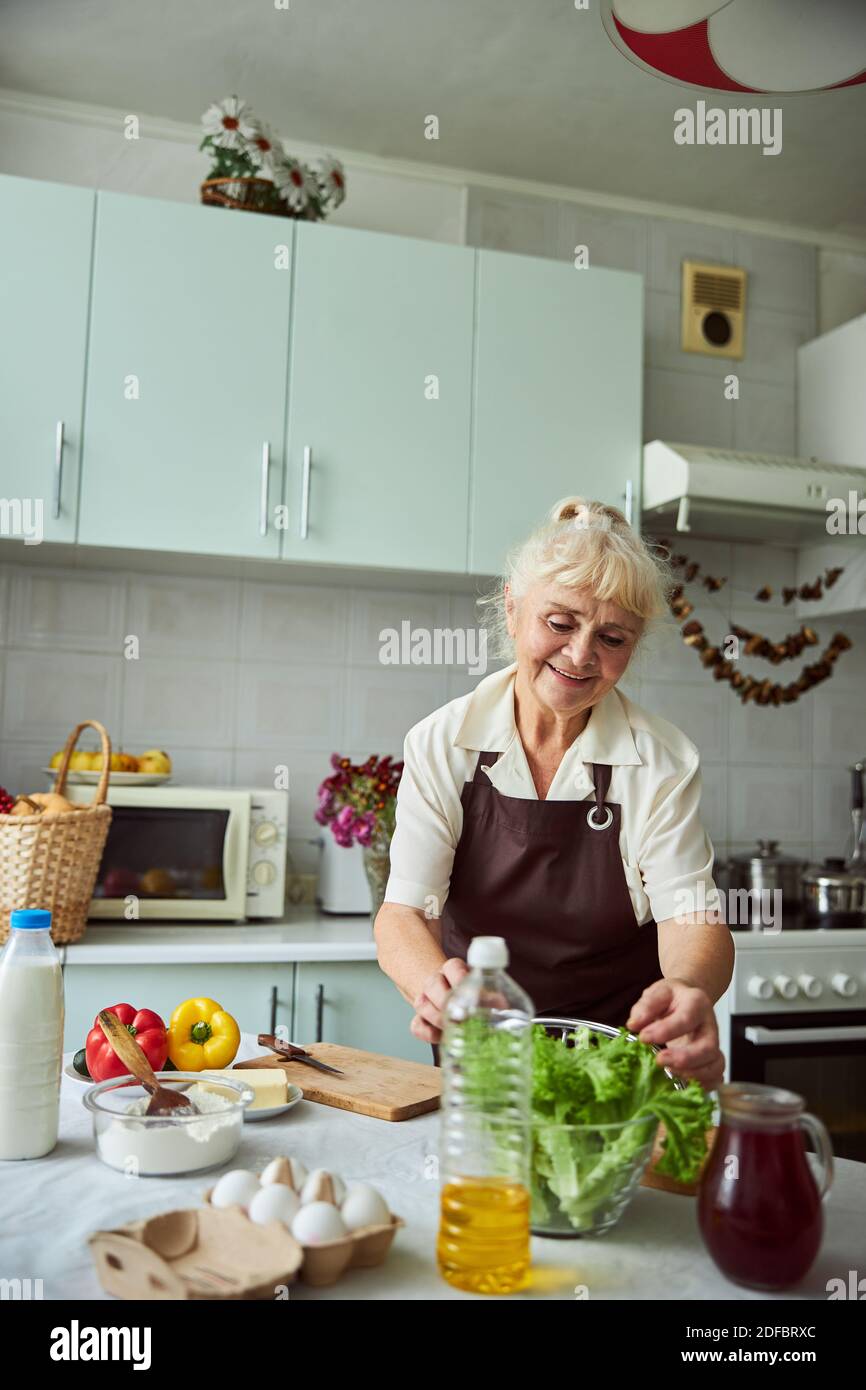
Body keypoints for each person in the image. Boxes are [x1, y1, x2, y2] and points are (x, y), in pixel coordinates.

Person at [375, 498, 733, 1089]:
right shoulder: (443, 742)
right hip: (485, 1051)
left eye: (612, 637)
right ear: (513, 610)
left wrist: (689, 989)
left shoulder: (661, 761)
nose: (581, 654)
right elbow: (406, 913)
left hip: (623, 1057)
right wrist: (435, 989)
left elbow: (692, 919)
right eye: (561, 624)